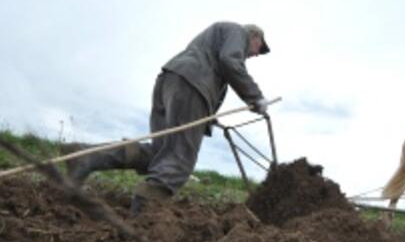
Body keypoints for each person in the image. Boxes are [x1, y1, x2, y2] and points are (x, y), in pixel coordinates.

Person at [65, 21, 271, 216]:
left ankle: (87, 157)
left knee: (160, 152)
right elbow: (230, 61)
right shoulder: (238, 32)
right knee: (179, 158)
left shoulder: (216, 38)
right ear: (254, 35)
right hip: (192, 85)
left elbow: (220, 63)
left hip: (170, 81)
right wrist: (255, 97)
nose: (255, 54)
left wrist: (207, 116)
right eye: (258, 48)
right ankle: (145, 214)